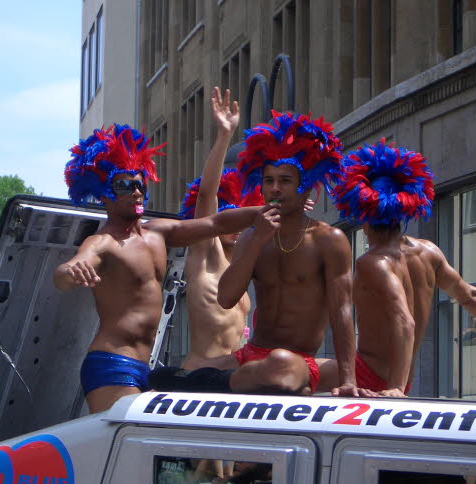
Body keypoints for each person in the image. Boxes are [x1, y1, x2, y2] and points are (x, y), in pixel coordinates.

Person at [150, 111, 370, 397]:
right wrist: (257, 240)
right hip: (249, 356)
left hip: (295, 362)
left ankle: (198, 380)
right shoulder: (252, 237)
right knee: (202, 365)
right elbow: (226, 298)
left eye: (285, 181)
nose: (275, 188)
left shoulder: (329, 240)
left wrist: (348, 380)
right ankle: (203, 378)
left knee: (279, 363)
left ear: (305, 189)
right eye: (268, 181)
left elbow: (342, 312)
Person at [54, 124, 267, 413]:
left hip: (145, 366)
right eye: (125, 185)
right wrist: (70, 271)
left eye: (140, 183)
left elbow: (215, 223)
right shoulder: (103, 242)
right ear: (103, 193)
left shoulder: (157, 234)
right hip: (112, 364)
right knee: (129, 445)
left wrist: (267, 211)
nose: (137, 191)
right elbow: (69, 271)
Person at [333, 139, 476, 397]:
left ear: (362, 215)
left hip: (371, 376)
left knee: (294, 369)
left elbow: (404, 322)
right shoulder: (428, 252)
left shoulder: (372, 262)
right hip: (396, 377)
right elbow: (470, 296)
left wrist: (396, 388)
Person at [178, 87, 264, 370]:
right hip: (198, 379)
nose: (236, 227)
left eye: (243, 219)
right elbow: (206, 195)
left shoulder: (243, 264)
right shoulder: (204, 252)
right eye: (230, 217)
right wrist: (225, 135)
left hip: (231, 383)